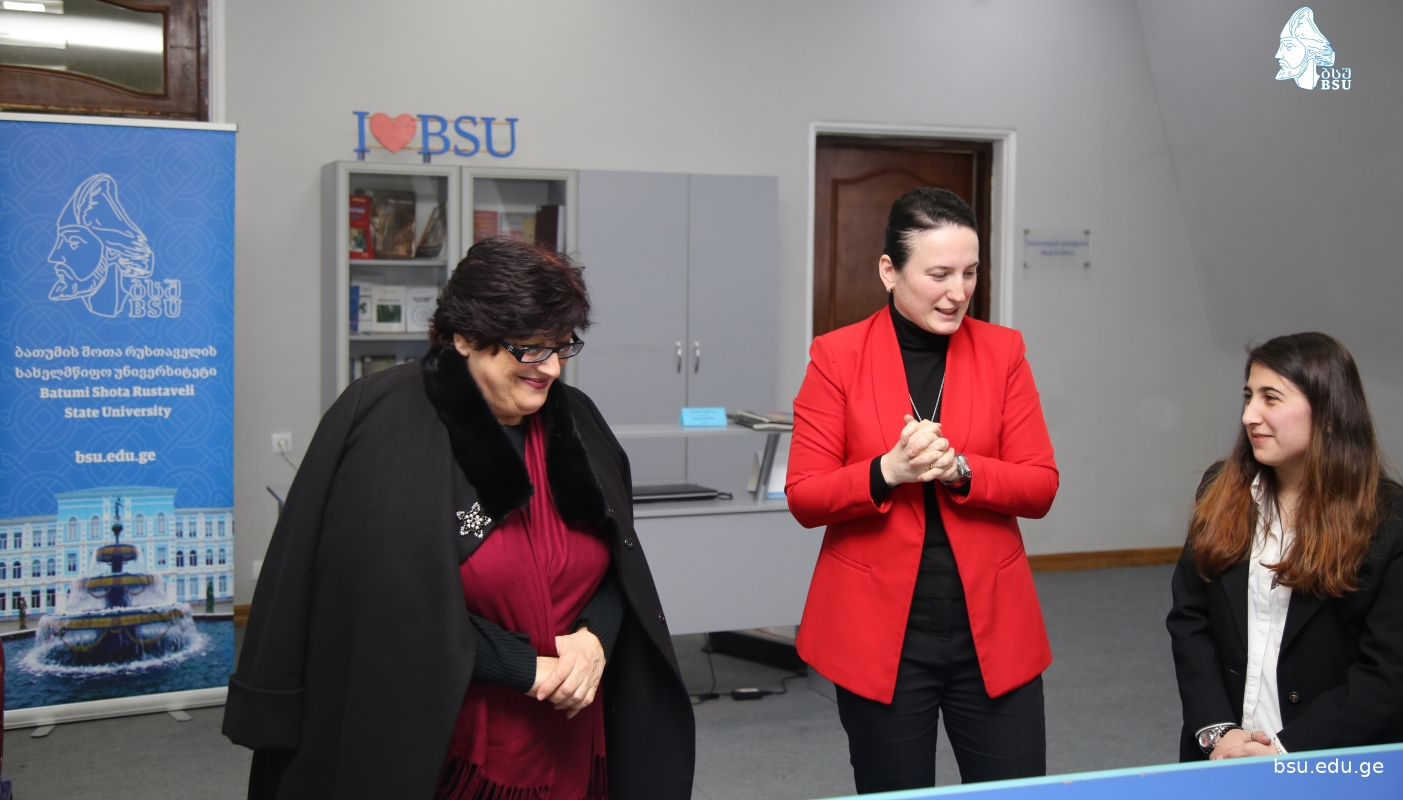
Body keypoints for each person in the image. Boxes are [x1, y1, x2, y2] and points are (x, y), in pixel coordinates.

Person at [223, 238, 695, 799]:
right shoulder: (386, 422)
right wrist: (527, 668)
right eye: (528, 348)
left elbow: (619, 560)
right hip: (441, 744)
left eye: (562, 345)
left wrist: (595, 637)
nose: (550, 367)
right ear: (466, 336)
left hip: (572, 735)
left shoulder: (578, 421)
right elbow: (380, 603)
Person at [786, 188, 1059, 791]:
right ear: (890, 271)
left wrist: (961, 468)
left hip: (991, 626)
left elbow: (1040, 484)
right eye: (939, 274)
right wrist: (887, 471)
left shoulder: (1004, 351)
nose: (958, 292)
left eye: (970, 273)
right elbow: (805, 495)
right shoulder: (836, 357)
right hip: (880, 632)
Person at [1168, 332, 1403, 760]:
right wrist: (1217, 731)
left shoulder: (1390, 521)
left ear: (1329, 413)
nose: (1249, 416)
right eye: (1248, 396)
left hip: (1334, 761)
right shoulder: (1220, 489)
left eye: (1270, 398)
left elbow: (1388, 671)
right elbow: (1190, 619)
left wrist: (1285, 750)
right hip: (1223, 754)